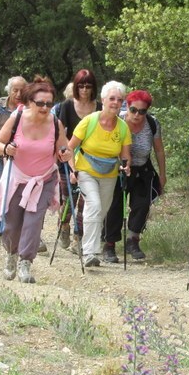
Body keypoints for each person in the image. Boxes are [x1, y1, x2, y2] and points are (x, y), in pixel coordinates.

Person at [0, 76, 71, 283]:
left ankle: (25, 263)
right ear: (29, 102)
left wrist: (65, 154)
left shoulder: (55, 122)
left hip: (44, 179)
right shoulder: (17, 118)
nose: (45, 107)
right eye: (40, 103)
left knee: (33, 223)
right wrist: (6, 148)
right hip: (17, 177)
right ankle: (11, 254)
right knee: (12, 224)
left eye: (49, 103)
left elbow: (65, 148)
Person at [67, 80, 131, 268]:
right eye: (112, 99)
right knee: (93, 206)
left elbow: (125, 156)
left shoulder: (123, 127)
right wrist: (73, 170)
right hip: (86, 170)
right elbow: (69, 148)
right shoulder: (89, 121)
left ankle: (85, 244)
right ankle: (90, 253)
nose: (115, 103)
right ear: (103, 100)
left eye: (119, 100)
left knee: (101, 211)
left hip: (109, 174)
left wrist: (126, 167)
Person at [102, 89, 167, 262]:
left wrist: (162, 174)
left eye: (142, 111)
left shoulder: (153, 124)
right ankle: (109, 245)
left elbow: (159, 150)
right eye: (134, 110)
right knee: (114, 206)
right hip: (118, 168)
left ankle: (133, 239)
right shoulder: (117, 121)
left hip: (143, 168)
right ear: (127, 107)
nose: (137, 115)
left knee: (142, 204)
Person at [57, 70, 99, 251]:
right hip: (67, 157)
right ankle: (64, 224)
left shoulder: (99, 107)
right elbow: (61, 132)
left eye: (88, 86)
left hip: (90, 159)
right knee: (68, 197)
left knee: (85, 201)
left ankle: (78, 236)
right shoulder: (67, 106)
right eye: (80, 86)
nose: (84, 90)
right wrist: (69, 151)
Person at [0, 76, 27, 238]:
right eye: (15, 90)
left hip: (18, 155)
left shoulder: (28, 108)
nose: (19, 93)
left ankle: (9, 224)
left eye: (22, 90)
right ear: (9, 90)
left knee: (14, 190)